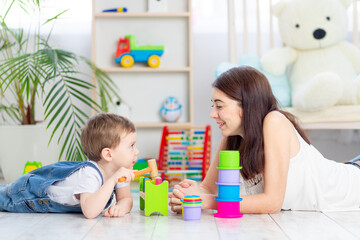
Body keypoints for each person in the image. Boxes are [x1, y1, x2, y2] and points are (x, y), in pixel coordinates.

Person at [169, 66, 360, 213]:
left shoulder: (274, 121)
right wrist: (189, 194)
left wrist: (206, 202)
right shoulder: (231, 140)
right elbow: (207, 188)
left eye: (219, 106)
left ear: (247, 106)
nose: (212, 114)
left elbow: (272, 202)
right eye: (213, 105)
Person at [0, 113, 139, 219]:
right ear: (108, 154)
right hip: (27, 195)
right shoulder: (90, 174)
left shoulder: (118, 172)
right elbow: (90, 211)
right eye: (131, 146)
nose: (136, 151)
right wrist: (113, 180)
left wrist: (120, 207)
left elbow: (125, 199)